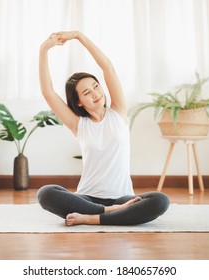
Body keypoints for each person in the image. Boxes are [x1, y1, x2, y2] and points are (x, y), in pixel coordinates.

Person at [37, 31, 170, 226]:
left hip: (123, 199)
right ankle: (107, 213)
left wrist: (78, 36)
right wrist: (44, 49)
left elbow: (107, 67)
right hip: (87, 198)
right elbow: (47, 92)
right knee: (46, 193)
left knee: (160, 201)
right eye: (86, 93)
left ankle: (92, 218)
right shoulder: (79, 124)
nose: (96, 94)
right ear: (79, 103)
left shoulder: (118, 112)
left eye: (96, 86)